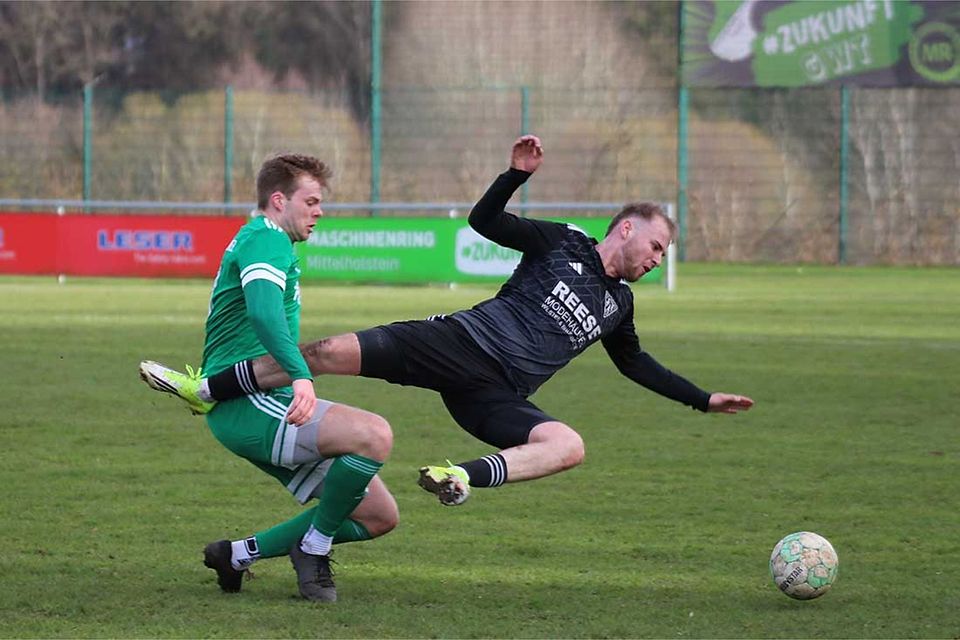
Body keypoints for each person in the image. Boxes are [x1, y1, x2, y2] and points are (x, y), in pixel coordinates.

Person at [141, 134, 753, 510]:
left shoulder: (619, 307)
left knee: (568, 446)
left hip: (492, 394)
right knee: (323, 352)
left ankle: (456, 475)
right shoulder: (563, 242)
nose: (656, 260)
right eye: (656, 247)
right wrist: (515, 175)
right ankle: (207, 389)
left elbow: (636, 364)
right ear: (627, 229)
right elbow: (485, 223)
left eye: (662, 256)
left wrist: (702, 399)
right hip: (456, 341)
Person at [140, 153, 398, 603]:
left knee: (378, 514)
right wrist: (301, 376)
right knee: (373, 435)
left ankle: (236, 554)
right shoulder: (267, 240)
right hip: (248, 402)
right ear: (279, 200)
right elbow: (262, 312)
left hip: (254, 397)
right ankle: (313, 550)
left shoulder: (264, 238)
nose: (320, 211)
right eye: (311, 201)